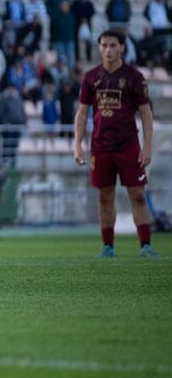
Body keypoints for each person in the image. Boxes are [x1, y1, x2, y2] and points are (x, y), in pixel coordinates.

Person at [73, 30, 156, 258]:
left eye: (112, 45)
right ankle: (108, 247)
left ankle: (146, 245)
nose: (108, 50)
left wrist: (147, 146)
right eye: (104, 45)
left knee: (137, 194)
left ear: (122, 47)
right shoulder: (91, 78)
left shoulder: (134, 77)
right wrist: (77, 145)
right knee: (104, 197)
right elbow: (82, 113)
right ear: (99, 48)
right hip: (100, 146)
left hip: (128, 146)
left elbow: (146, 114)